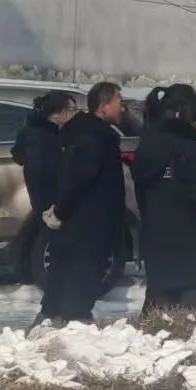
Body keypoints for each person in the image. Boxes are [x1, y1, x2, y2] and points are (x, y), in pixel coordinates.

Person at [131, 84, 196, 312]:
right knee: (195, 325)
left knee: (159, 324)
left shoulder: (147, 146)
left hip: (158, 248)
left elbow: (141, 197)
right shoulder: (192, 146)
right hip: (195, 253)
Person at [39, 81, 128, 323]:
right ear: (104, 105)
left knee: (71, 267)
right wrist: (61, 210)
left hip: (86, 219)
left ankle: (56, 315)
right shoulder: (93, 137)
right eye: (119, 102)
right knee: (84, 270)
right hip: (90, 221)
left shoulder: (88, 133)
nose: (122, 108)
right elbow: (78, 179)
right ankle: (73, 320)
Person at [10, 90, 77, 278]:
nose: (75, 115)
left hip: (45, 200)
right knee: (53, 242)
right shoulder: (44, 140)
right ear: (56, 115)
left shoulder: (38, 135)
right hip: (51, 200)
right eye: (72, 110)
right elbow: (48, 172)